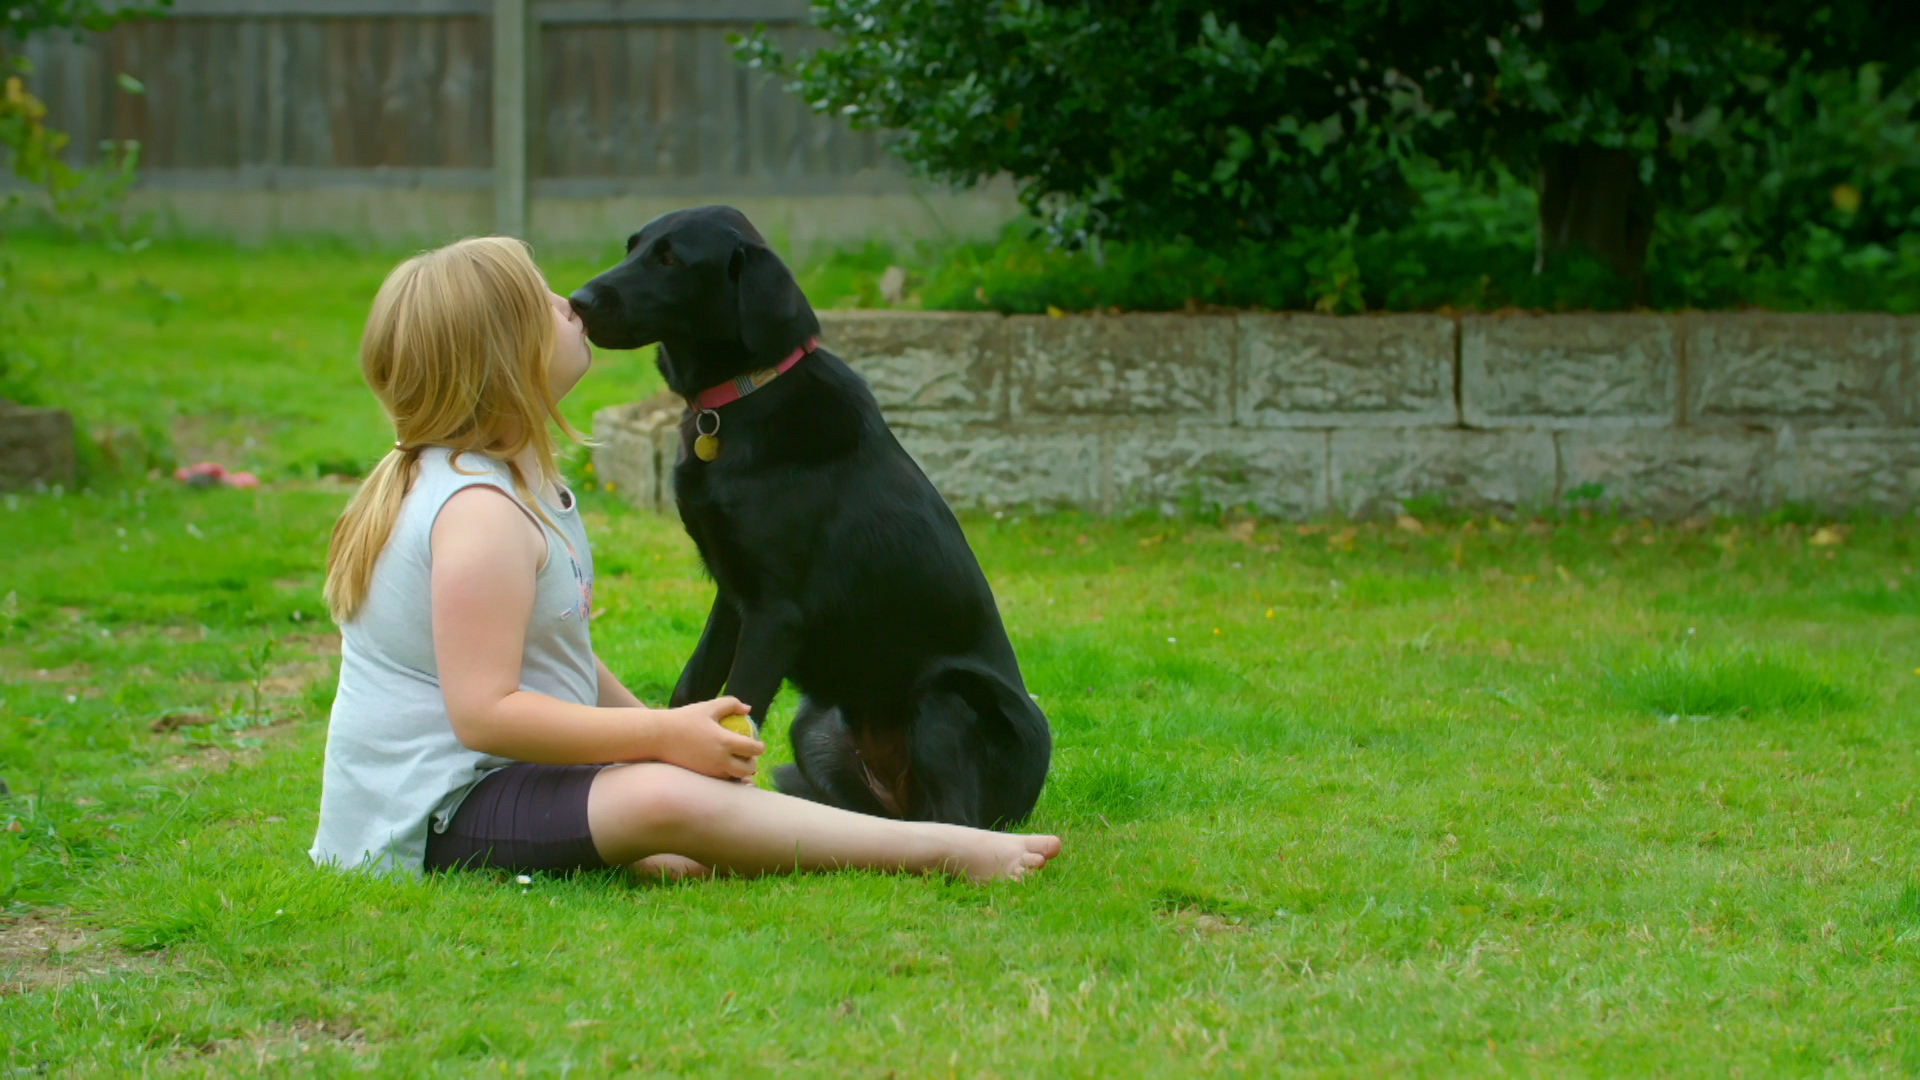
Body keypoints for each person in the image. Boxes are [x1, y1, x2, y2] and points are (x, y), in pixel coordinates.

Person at [307, 236, 1059, 884]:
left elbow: (558, 654)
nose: (573, 302)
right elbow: (485, 714)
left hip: (487, 787)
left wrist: (666, 735)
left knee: (681, 819)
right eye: (547, 305)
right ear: (504, 360)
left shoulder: (507, 485)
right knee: (668, 805)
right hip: (437, 816)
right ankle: (938, 849)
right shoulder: (478, 515)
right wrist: (664, 743)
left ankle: (738, 824)